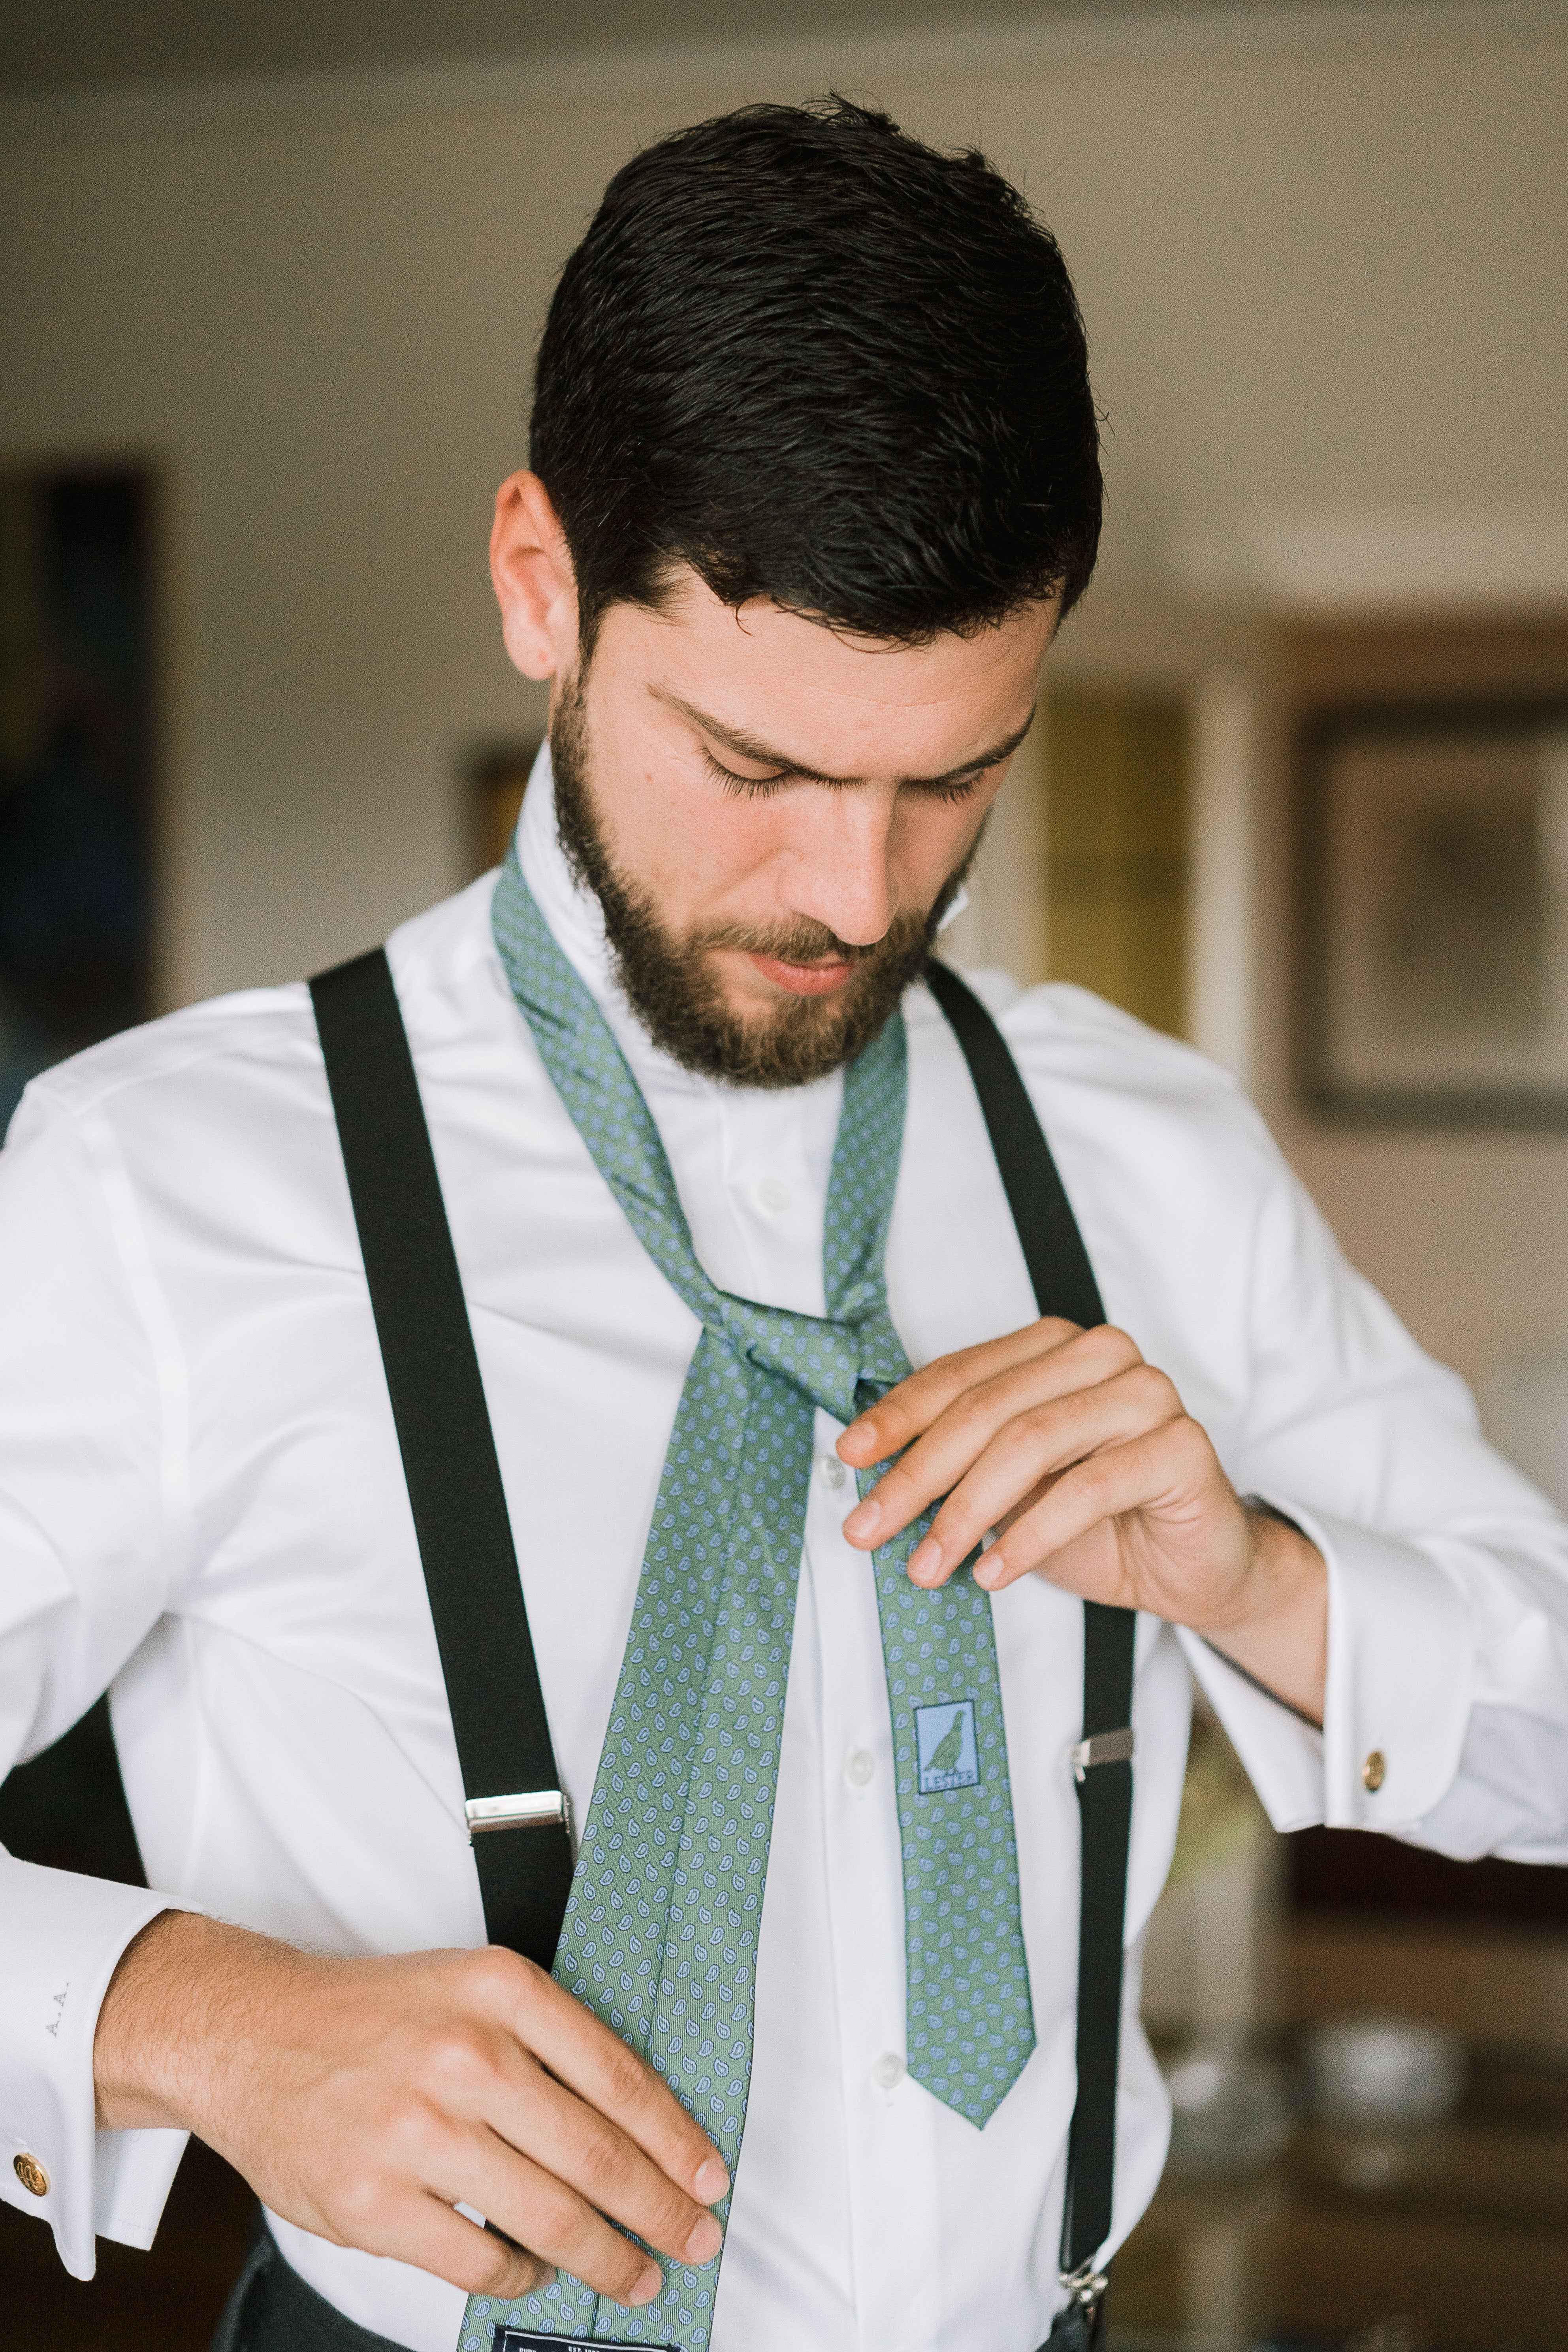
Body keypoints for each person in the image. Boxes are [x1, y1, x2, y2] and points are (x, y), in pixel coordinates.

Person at [2, 96, 1565, 2352]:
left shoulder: (1140, 1149)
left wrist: (1268, 1578)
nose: (856, 893)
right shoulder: (168, 1187)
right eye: (759, 770)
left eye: (955, 778)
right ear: (541, 578)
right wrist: (197, 2020)